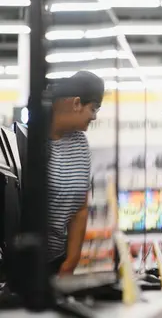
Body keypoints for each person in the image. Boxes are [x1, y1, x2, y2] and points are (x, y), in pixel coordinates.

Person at [47, 71, 104, 276]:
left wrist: (70, 261)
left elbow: (80, 208)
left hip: (58, 261)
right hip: (24, 263)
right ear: (76, 103)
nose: (95, 116)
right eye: (94, 108)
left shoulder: (80, 143)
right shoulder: (28, 141)